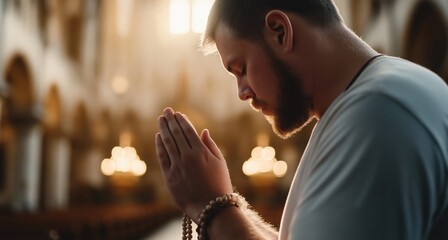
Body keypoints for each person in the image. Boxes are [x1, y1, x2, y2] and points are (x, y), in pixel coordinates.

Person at [154, 0, 448, 239]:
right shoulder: (364, 103)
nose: (242, 92)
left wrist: (211, 207)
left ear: (280, 31)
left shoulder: (377, 114)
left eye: (241, 68)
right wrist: (222, 199)